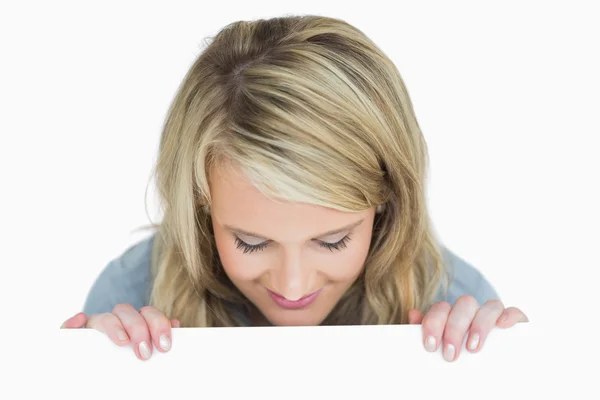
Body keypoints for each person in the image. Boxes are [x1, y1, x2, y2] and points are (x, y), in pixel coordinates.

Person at [60, 14, 528, 362]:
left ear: (386, 205)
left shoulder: (454, 307)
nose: (292, 285)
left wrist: (518, 375)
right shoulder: (129, 298)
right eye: (250, 241)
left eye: (331, 241)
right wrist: (82, 376)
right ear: (201, 208)